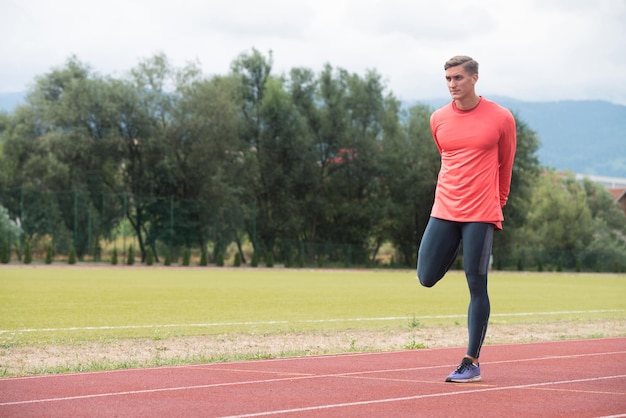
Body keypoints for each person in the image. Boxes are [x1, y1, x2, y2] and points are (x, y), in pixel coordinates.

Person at [417, 55, 516, 383]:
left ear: (474, 78)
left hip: (481, 212)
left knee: (476, 282)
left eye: (458, 78)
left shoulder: (501, 118)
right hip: (444, 210)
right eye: (447, 78)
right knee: (426, 276)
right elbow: (446, 159)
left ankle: (471, 361)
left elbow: (505, 165)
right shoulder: (438, 119)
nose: (452, 84)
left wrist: (496, 207)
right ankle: (456, 247)